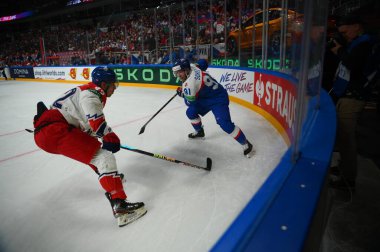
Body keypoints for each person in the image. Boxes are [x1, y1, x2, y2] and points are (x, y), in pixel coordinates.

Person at [32, 66, 147, 226]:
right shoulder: (92, 95)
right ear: (104, 84)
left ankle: (109, 177)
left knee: (94, 150)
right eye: (114, 84)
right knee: (103, 157)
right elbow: (96, 124)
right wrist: (110, 136)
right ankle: (120, 206)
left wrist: (103, 137)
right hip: (54, 131)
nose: (115, 87)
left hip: (50, 132)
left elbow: (87, 127)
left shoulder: (87, 90)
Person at [172, 58, 255, 158]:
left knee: (224, 124)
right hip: (206, 97)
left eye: (179, 72)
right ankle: (200, 132)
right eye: (176, 72)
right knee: (190, 112)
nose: (178, 75)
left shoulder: (190, 85)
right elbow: (204, 62)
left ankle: (246, 143)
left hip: (218, 99)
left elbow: (190, 102)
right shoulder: (194, 67)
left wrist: (183, 94)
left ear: (186, 70)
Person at [328, 15, 374, 191]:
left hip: (353, 97)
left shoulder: (364, 44)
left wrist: (340, 51)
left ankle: (348, 179)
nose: (345, 35)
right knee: (343, 136)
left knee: (347, 138)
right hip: (346, 95)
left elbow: (352, 64)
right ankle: (344, 168)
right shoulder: (357, 43)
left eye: (346, 32)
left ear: (356, 26)